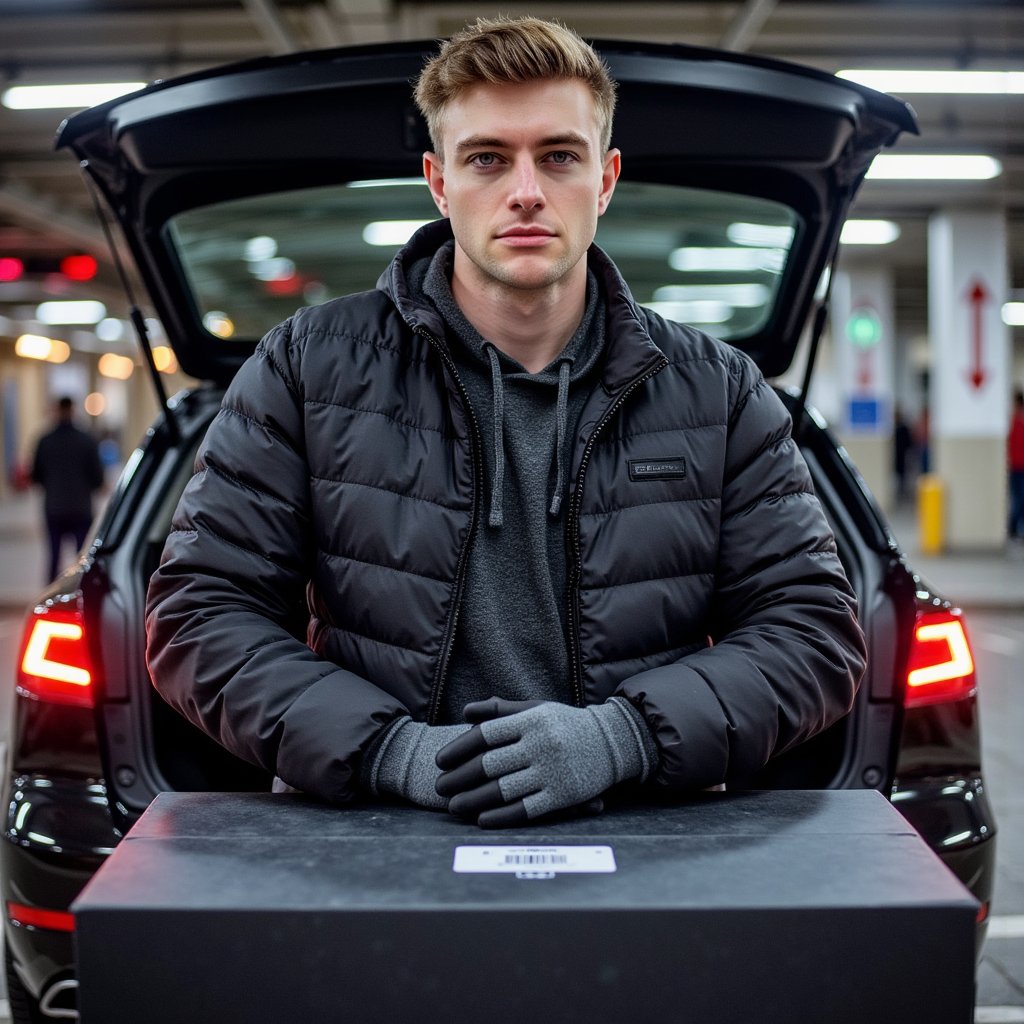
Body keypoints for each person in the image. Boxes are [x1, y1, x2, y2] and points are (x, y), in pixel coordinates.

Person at [146, 17, 866, 828]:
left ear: (606, 179)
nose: (526, 189)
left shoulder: (718, 392)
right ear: (438, 182)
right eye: (487, 157)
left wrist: (623, 738)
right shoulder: (310, 366)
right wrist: (392, 752)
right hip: (373, 829)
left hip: (645, 828)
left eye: (559, 155)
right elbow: (200, 616)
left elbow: (812, 634)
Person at [31, 395, 104, 582]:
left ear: (57, 410)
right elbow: (97, 478)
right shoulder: (86, 440)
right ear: (73, 410)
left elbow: (36, 476)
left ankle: (49, 599)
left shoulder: (44, 441)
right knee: (82, 558)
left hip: (54, 508)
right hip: (81, 509)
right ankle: (83, 592)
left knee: (54, 557)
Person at [1009, 387, 1024, 541]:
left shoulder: (1016, 422)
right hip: (1016, 467)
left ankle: (1016, 528)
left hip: (1019, 466)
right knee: (1017, 499)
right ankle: (1014, 528)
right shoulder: (1013, 421)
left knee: (1019, 499)